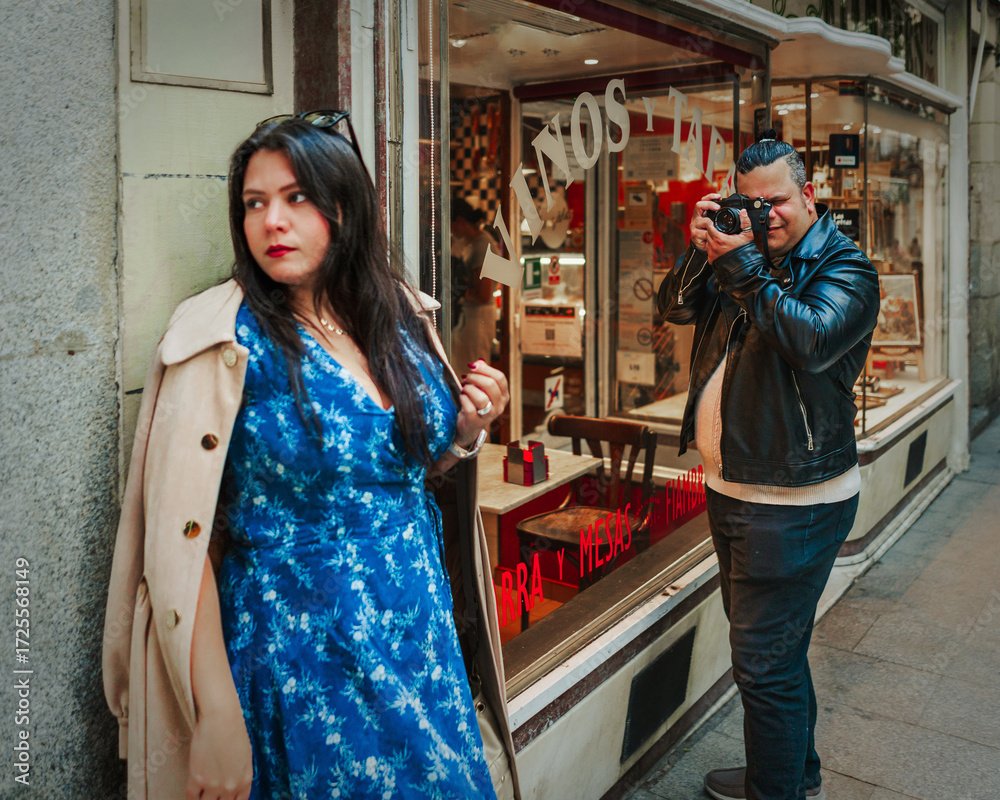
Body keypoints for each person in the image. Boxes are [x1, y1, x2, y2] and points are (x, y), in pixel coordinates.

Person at [103, 112, 519, 800]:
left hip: (419, 637)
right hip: (305, 659)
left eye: (296, 197)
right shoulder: (225, 342)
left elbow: (397, 473)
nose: (272, 221)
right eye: (254, 203)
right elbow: (187, 543)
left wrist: (467, 427)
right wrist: (216, 713)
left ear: (344, 207)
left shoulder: (396, 316)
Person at [656, 135, 879, 800]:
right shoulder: (741, 258)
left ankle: (774, 788)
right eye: (749, 204)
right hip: (735, 487)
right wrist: (701, 250)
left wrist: (742, 264)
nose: (764, 215)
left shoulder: (846, 268)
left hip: (792, 500)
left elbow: (810, 340)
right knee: (776, 654)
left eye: (776, 201)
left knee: (761, 667)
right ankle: (790, 774)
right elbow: (674, 309)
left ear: (808, 194)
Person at [450, 197, 498, 372]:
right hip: (470, 318)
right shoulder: (470, 243)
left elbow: (484, 294)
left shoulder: (482, 245)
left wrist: (458, 290)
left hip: (478, 320)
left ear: (460, 222)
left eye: (451, 224)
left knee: (473, 373)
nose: (450, 229)